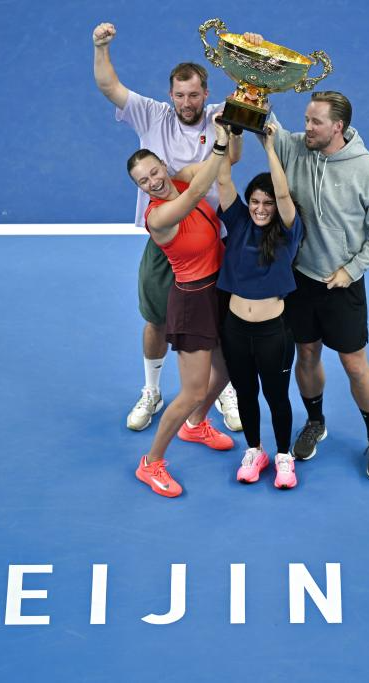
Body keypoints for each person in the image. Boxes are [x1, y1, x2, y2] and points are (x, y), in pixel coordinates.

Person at [92, 21, 242, 434]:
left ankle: (222, 389)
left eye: (194, 94)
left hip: (214, 237)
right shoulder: (152, 115)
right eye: (180, 95)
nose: (186, 102)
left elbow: (234, 155)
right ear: (170, 94)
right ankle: (152, 390)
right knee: (156, 320)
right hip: (168, 245)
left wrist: (250, 64)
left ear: (205, 93)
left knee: (218, 320)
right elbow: (108, 86)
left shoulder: (219, 116)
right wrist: (101, 47)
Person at [269, 90, 369, 479]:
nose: (307, 127)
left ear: (337, 127)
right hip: (300, 279)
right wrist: (254, 79)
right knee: (306, 353)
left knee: (354, 364)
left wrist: (353, 268)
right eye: (306, 120)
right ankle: (315, 422)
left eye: (315, 122)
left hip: (341, 283)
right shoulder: (295, 148)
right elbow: (260, 120)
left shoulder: (368, 171)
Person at [127, 116, 235, 497]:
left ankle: (196, 425)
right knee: (191, 391)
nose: (153, 182)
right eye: (143, 181)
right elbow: (196, 193)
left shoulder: (184, 178)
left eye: (154, 172)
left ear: (163, 165)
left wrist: (231, 134)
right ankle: (151, 462)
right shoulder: (158, 217)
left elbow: (215, 170)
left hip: (219, 291)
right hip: (192, 302)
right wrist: (219, 143)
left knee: (226, 371)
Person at [216, 124, 303, 489]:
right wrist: (223, 141)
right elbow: (223, 180)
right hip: (235, 330)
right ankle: (254, 451)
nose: (260, 208)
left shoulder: (287, 230)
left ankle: (283, 456)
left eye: (267, 203)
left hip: (273, 333)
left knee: (276, 396)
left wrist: (269, 148)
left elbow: (283, 193)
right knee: (246, 394)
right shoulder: (238, 222)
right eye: (255, 201)